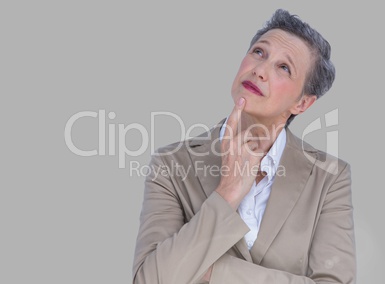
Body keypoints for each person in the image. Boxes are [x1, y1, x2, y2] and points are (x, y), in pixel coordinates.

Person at [132, 9, 356, 284]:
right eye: (259, 52)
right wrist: (227, 194)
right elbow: (149, 279)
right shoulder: (170, 163)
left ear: (302, 103)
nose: (260, 70)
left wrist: (213, 272)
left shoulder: (329, 177)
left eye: (283, 67)